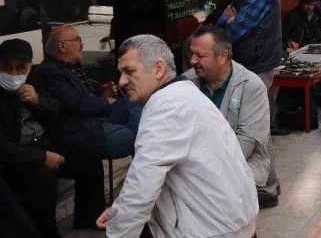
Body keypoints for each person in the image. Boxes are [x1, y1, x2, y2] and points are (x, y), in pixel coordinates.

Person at [96, 35, 258, 237]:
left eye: (129, 71)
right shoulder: (183, 95)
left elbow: (142, 185)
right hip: (230, 224)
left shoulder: (166, 105)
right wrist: (120, 209)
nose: (121, 81)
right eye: (120, 73)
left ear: (158, 69)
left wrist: (118, 232)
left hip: (212, 230)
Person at [0, 38, 105, 236]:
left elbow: (56, 110)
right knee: (42, 179)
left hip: (45, 144)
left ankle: (90, 220)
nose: (13, 74)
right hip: (19, 157)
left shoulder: (32, 84)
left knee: (88, 158)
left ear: (29, 67)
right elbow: (4, 148)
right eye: (6, 67)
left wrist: (37, 100)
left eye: (20, 68)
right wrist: (43, 157)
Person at [215, 0, 285, 202]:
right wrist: (228, 17)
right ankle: (265, 184)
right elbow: (226, 18)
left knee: (256, 129)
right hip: (252, 63)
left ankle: (267, 187)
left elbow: (235, 29)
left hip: (258, 65)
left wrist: (230, 19)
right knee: (255, 127)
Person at [183, 25, 277, 209]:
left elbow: (247, 142)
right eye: (192, 54)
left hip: (240, 163)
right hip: (196, 166)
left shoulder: (251, 86)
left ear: (223, 56)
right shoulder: (186, 83)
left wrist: (207, 173)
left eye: (200, 55)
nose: (193, 60)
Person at [30, 25, 141, 160]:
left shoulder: (70, 67)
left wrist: (101, 93)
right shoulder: (50, 71)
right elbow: (75, 104)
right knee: (139, 137)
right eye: (78, 40)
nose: (82, 44)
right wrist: (105, 101)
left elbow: (84, 98)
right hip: (79, 131)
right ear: (62, 46)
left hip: (95, 119)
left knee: (133, 99)